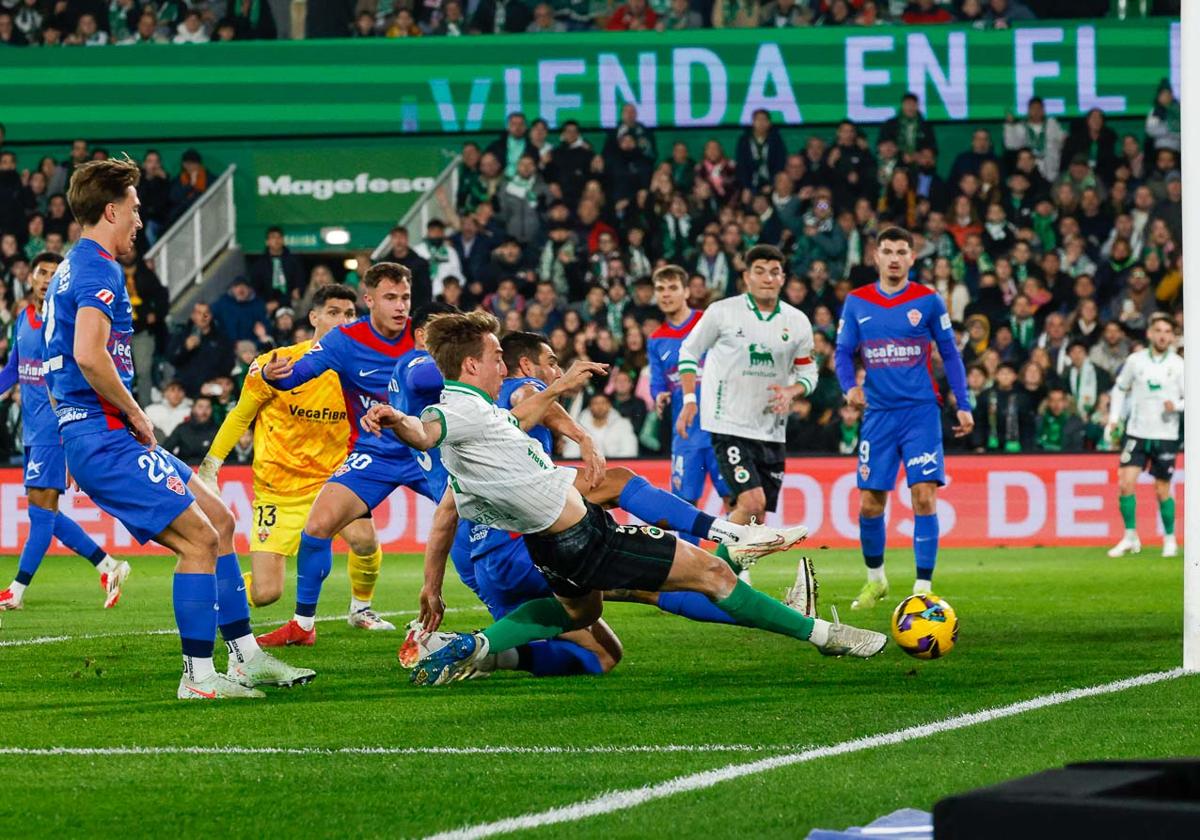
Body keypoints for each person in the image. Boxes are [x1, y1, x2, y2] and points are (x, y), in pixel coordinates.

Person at [363, 311, 886, 687]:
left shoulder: (478, 414)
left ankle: (475, 646)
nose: (506, 366)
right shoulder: (455, 413)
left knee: (579, 615)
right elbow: (426, 430)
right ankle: (822, 631)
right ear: (473, 366)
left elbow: (501, 428)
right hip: (585, 536)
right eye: (498, 357)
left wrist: (563, 393)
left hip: (548, 552)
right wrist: (399, 422)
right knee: (712, 575)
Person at [41, 156, 310, 699]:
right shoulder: (97, 267)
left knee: (220, 518)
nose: (140, 220)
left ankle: (246, 657)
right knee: (199, 540)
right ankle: (198, 676)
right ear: (111, 210)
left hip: (94, 434)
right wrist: (134, 414)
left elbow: (57, 371)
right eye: (136, 209)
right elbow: (89, 356)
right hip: (107, 435)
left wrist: (67, 435)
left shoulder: (70, 269)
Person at [253, 262, 436, 645]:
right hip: (376, 454)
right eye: (390, 298)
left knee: (480, 522)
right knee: (317, 527)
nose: (401, 306)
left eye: (405, 297)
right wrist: (274, 376)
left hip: (428, 450)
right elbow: (299, 374)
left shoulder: (426, 337)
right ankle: (303, 626)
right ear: (369, 300)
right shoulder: (344, 341)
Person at [197, 283, 385, 618]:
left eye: (350, 314)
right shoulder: (278, 363)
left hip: (334, 481)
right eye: (333, 313)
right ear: (314, 317)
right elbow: (242, 414)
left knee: (365, 540)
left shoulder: (362, 370)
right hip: (278, 488)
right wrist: (211, 465)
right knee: (266, 593)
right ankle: (210, 592)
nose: (343, 321)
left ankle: (361, 609)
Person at [834, 226, 973, 609]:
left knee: (923, 496)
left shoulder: (928, 300)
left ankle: (923, 587)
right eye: (887, 251)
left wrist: (963, 402)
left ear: (912, 258)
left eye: (901, 252)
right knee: (870, 504)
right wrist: (850, 387)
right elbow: (843, 353)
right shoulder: (857, 302)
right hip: (878, 414)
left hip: (920, 413)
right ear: (875, 257)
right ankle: (875, 580)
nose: (894, 258)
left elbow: (951, 354)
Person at [676, 245, 818, 577]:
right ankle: (708, 576)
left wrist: (792, 390)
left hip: (771, 429)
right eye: (760, 271)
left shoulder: (796, 322)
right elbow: (688, 351)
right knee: (751, 503)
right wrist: (689, 399)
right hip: (728, 424)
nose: (767, 278)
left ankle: (725, 578)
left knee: (756, 518)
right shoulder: (722, 312)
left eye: (774, 272)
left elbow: (809, 373)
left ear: (783, 278)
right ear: (746, 276)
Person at [0, 252, 129, 612]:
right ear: (30, 278)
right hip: (33, 431)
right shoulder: (22, 321)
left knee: (42, 514)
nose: (45, 279)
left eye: (54, 275)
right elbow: (13, 370)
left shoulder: (65, 325)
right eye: (41, 272)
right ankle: (109, 567)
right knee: (46, 515)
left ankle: (16, 590)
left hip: (54, 431)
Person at [647, 265, 733, 544]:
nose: (666, 294)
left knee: (735, 500)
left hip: (721, 429)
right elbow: (658, 381)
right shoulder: (656, 339)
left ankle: (740, 574)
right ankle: (691, 580)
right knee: (685, 505)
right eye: (660, 289)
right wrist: (659, 395)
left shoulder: (708, 322)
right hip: (685, 435)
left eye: (673, 288)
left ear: (686, 291)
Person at [1105, 314, 1184, 559]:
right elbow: (1119, 388)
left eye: (1167, 331)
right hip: (1136, 432)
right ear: (1149, 333)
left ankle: (1169, 539)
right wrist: (1114, 418)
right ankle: (1130, 536)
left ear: (1172, 336)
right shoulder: (1135, 361)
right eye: (1158, 330)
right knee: (1125, 482)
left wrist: (1178, 406)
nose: (1162, 335)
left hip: (1165, 433)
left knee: (1162, 489)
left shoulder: (1180, 365)